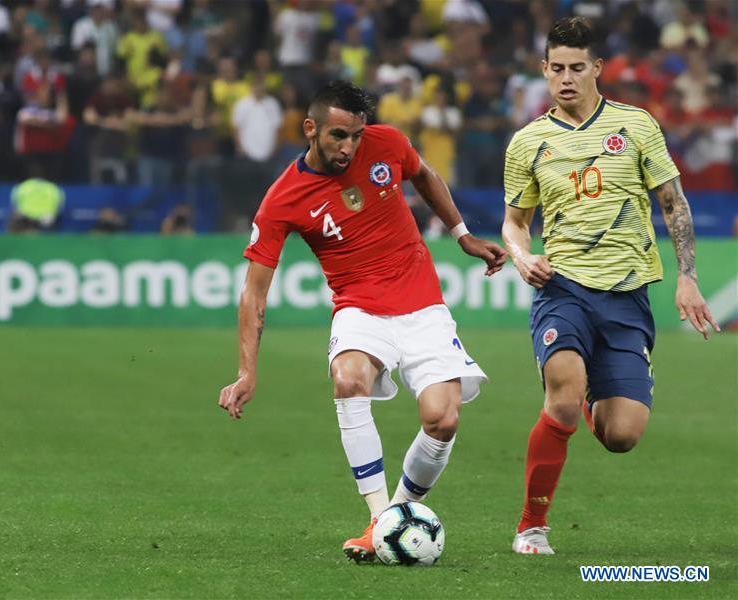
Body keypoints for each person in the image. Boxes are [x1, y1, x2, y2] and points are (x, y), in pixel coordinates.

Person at [218, 81, 507, 562]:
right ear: (310, 129)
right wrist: (247, 370)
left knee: (443, 418)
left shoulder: (388, 143)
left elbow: (426, 175)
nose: (348, 147)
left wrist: (462, 235)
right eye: (337, 136)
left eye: (355, 135)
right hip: (358, 308)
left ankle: (395, 516)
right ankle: (379, 519)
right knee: (348, 379)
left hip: (422, 306)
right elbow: (254, 291)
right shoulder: (283, 198)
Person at [501, 18, 720, 556]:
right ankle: (532, 526)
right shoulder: (528, 143)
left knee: (621, 435)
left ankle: (602, 388)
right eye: (557, 69)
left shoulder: (636, 125)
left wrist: (687, 278)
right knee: (562, 396)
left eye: (578, 68)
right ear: (544, 70)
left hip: (626, 296)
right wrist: (520, 255)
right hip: (563, 287)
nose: (567, 78)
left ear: (597, 68)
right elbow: (513, 220)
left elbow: (673, 203)